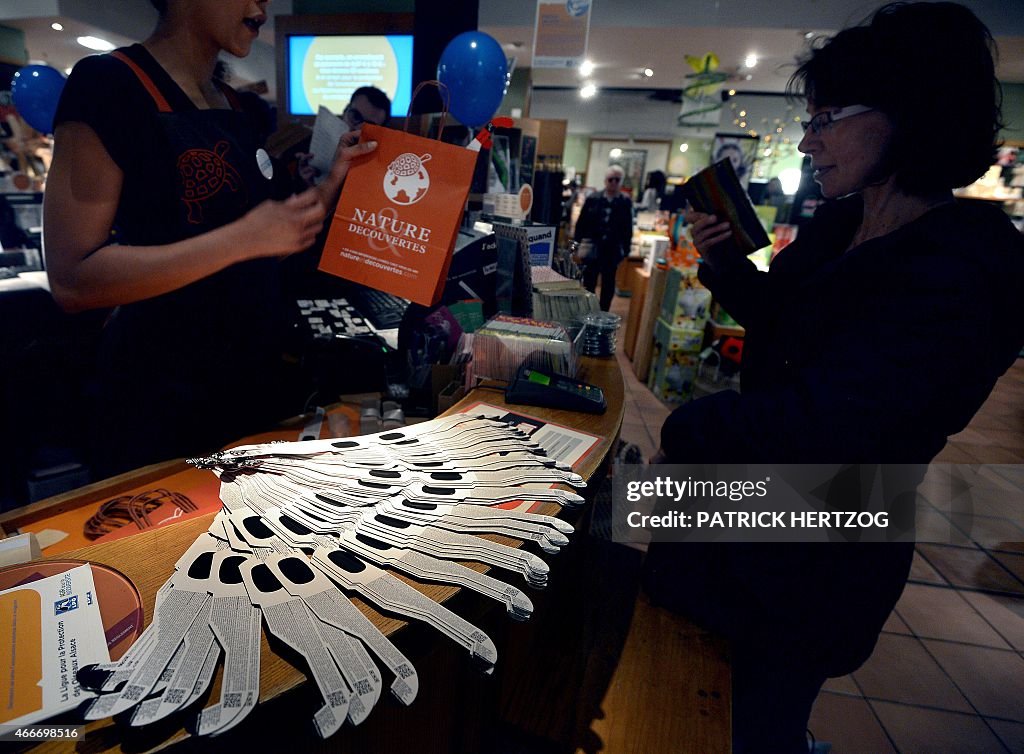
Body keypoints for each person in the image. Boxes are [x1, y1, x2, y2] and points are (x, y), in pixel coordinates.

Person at [642, 3, 1024, 752]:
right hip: (751, 497)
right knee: (670, 661)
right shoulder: (844, 221)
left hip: (832, 530)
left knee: (752, 716)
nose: (810, 139)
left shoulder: (965, 269)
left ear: (909, 114)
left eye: (828, 117)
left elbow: (833, 418)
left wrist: (688, 431)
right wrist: (724, 264)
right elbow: (785, 323)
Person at [43, 0, 376, 478]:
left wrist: (331, 185)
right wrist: (240, 240)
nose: (262, 6)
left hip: (249, 396)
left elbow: (276, 232)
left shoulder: (236, 105)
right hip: (159, 407)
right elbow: (74, 280)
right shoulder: (109, 84)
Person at [573, 165, 634, 310]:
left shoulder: (624, 202)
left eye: (617, 180)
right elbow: (581, 223)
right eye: (611, 179)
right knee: (589, 281)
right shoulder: (593, 199)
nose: (613, 183)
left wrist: (626, 249)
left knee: (608, 282)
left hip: (612, 249)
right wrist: (577, 244)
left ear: (621, 182)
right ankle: (588, 309)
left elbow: (627, 227)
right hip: (592, 246)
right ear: (605, 180)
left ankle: (604, 312)